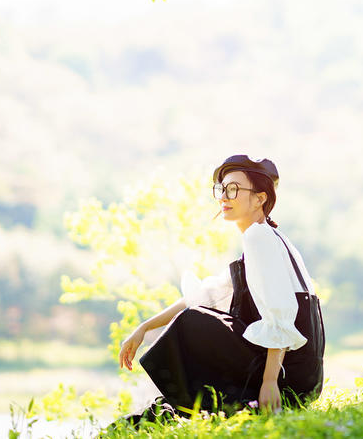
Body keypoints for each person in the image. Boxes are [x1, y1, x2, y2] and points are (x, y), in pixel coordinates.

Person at [115, 155, 325, 423]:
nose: (224, 196)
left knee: (192, 323)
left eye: (234, 189)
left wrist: (270, 382)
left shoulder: (259, 238)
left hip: (287, 376)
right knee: (196, 315)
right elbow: (206, 294)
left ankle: (186, 408)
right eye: (221, 189)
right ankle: (181, 409)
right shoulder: (266, 239)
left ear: (260, 198)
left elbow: (280, 311)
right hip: (304, 378)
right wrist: (144, 328)